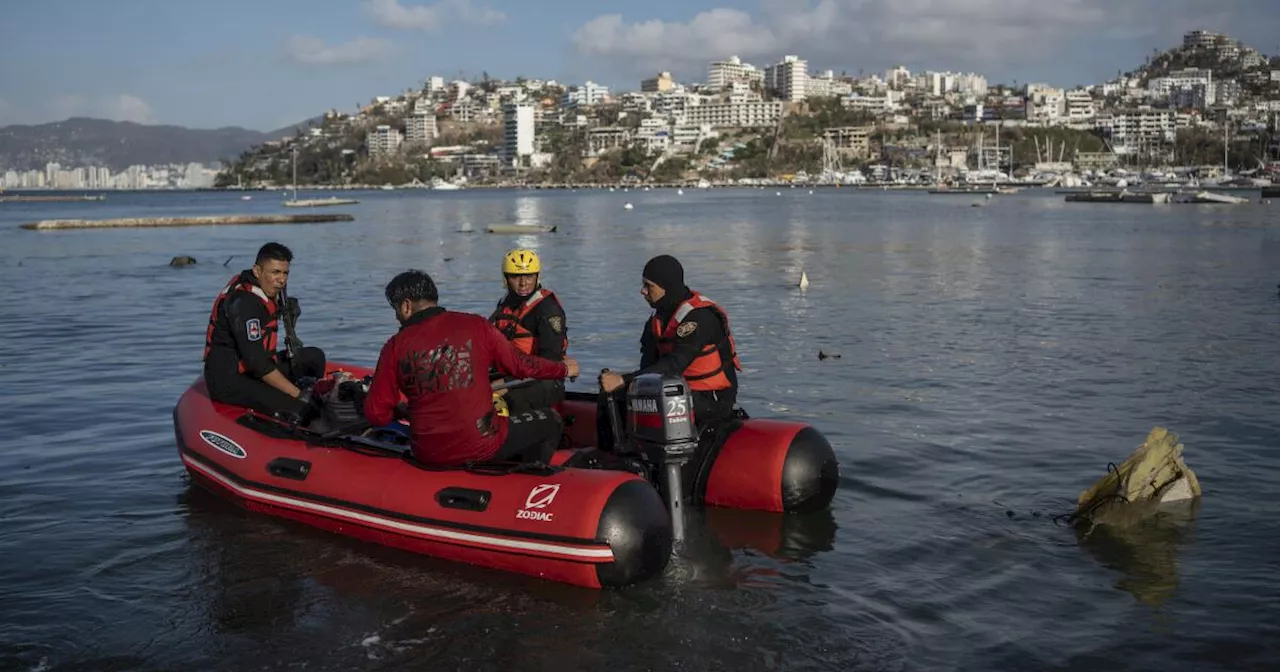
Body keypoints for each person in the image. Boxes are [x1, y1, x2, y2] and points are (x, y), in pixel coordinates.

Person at [363, 270, 580, 467]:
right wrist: (561, 369)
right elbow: (522, 365)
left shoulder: (394, 347)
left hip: (428, 453)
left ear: (406, 306)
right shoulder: (476, 325)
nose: (396, 316)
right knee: (551, 420)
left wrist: (403, 411)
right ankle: (523, 486)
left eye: (395, 310)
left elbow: (376, 414)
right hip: (482, 444)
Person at [598, 254, 742, 447]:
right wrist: (625, 386)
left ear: (666, 287)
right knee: (612, 396)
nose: (643, 291)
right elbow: (648, 367)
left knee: (660, 399)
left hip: (712, 397)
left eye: (649, 286)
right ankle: (617, 455)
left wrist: (623, 380)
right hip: (677, 389)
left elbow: (675, 364)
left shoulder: (700, 318)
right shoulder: (657, 319)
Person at [203, 242, 327, 419]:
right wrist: (299, 395)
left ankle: (313, 395)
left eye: (285, 273)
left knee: (314, 357)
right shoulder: (243, 302)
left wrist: (285, 312)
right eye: (275, 272)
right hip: (231, 380)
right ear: (257, 271)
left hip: (255, 369)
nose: (282, 279)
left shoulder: (263, 291)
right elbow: (257, 364)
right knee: (303, 410)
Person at [488, 249, 568, 414]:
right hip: (510, 377)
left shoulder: (547, 310)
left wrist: (505, 383)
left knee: (498, 403)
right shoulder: (507, 304)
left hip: (540, 381)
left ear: (537, 277)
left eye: (529, 276)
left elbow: (550, 363)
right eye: (516, 277)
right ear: (506, 279)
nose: (523, 283)